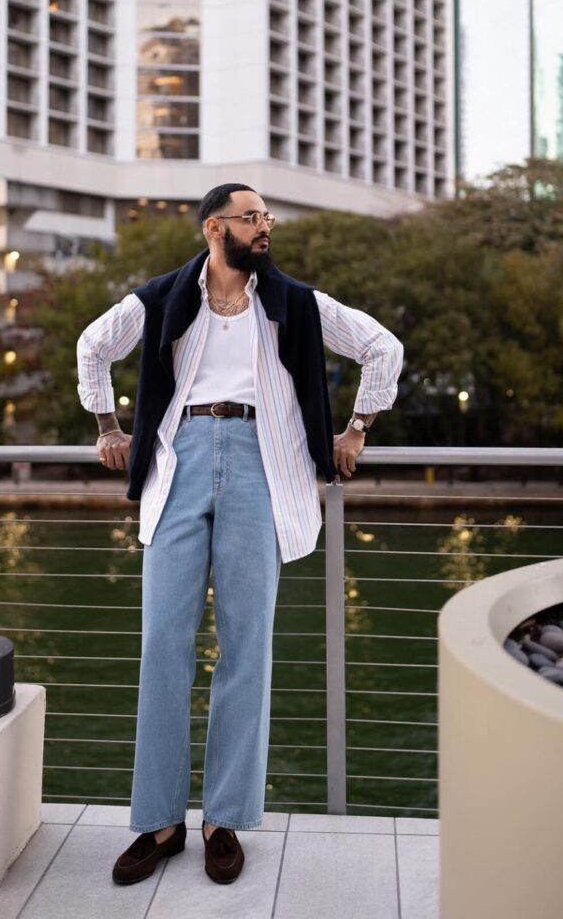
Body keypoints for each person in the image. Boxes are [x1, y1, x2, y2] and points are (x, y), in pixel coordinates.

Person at [76, 183, 403, 886]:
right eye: (252, 217)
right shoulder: (164, 295)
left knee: (246, 647)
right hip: (179, 459)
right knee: (164, 641)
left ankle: (224, 818)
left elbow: (383, 348)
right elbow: (92, 345)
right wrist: (107, 426)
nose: (265, 227)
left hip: (262, 464)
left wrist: (356, 428)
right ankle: (159, 823)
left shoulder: (295, 302)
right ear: (212, 227)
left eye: (267, 217)